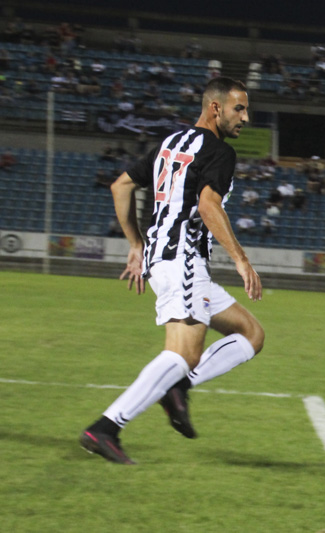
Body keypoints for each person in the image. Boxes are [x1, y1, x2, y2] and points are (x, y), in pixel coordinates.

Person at [79, 77, 265, 464]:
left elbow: (120, 187)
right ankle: (107, 427)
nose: (245, 117)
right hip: (183, 262)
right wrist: (241, 258)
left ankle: (176, 387)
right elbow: (210, 207)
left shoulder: (170, 142)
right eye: (239, 108)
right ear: (215, 108)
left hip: (167, 260)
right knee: (182, 353)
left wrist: (135, 244)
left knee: (250, 334)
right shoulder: (219, 152)